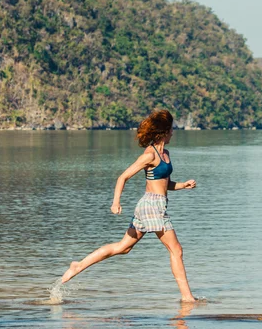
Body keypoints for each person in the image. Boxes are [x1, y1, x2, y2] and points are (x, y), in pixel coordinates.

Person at [61, 109, 197, 302]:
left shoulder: (165, 153)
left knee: (123, 247)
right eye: (171, 129)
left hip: (154, 205)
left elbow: (165, 184)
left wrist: (183, 185)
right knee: (176, 249)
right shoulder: (150, 155)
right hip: (151, 206)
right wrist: (116, 202)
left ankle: (78, 265)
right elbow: (122, 177)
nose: (173, 133)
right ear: (164, 131)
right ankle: (187, 298)